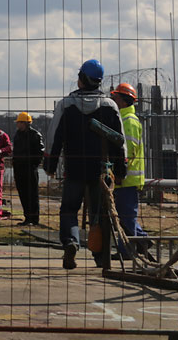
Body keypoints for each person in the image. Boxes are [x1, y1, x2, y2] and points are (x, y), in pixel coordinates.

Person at [43, 59, 126, 269]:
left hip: (75, 168)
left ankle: (71, 242)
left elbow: (54, 138)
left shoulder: (66, 105)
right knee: (99, 213)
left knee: (69, 210)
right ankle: (100, 257)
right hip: (101, 170)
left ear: (81, 79)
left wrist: (50, 166)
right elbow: (119, 141)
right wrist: (121, 168)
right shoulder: (110, 106)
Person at [110, 82, 148, 257]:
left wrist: (119, 171)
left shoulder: (128, 121)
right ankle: (142, 240)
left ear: (124, 101)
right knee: (125, 214)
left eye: (116, 97)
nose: (113, 99)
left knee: (126, 216)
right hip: (124, 177)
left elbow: (129, 151)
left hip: (127, 177)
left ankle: (127, 250)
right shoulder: (122, 119)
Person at [12, 112, 45, 227]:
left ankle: (34, 219)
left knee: (32, 194)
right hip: (19, 169)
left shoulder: (35, 135)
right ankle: (27, 218)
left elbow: (40, 152)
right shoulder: (17, 135)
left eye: (19, 123)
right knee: (23, 194)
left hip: (30, 170)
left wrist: (33, 165)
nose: (17, 125)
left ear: (25, 123)